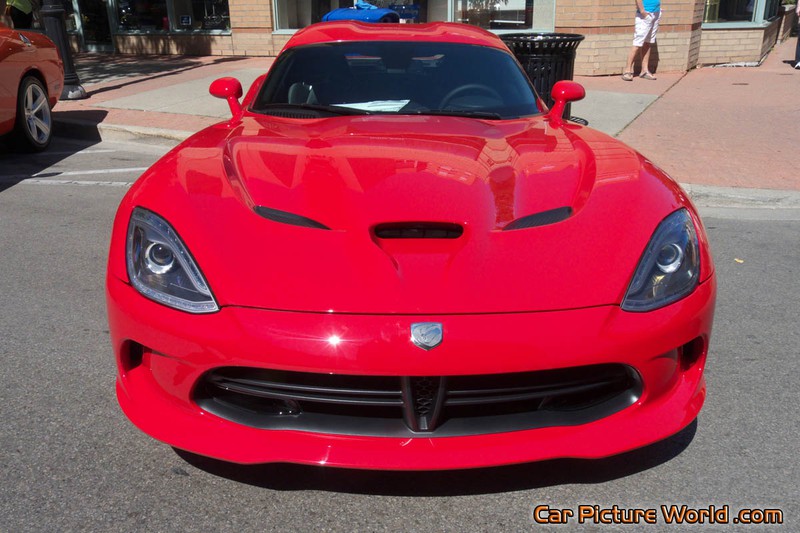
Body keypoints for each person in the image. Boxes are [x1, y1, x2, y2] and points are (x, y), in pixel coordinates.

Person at [622, 0, 661, 81]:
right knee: (637, 43)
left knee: (648, 42)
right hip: (645, 14)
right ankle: (627, 70)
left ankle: (644, 71)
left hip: (656, 12)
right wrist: (643, 12)